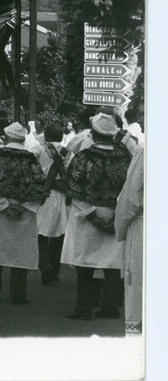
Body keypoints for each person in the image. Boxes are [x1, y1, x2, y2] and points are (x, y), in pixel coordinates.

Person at [61, 113, 132, 321]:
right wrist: (115, 215)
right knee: (111, 265)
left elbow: (73, 187)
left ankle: (84, 307)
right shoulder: (125, 157)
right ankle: (110, 307)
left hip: (86, 217)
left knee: (84, 266)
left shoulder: (84, 157)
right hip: (114, 215)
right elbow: (130, 189)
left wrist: (92, 216)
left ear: (92, 133)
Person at [0, 122, 49, 304]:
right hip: (24, 211)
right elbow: (40, 186)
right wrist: (23, 205)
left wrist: (3, 204)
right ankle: (18, 295)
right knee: (21, 252)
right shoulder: (31, 159)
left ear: (6, 137)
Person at [115, 137, 144, 335]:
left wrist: (121, 228)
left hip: (145, 225)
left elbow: (131, 195)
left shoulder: (146, 149)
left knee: (139, 285)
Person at [36, 122, 69, 285]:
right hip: (62, 197)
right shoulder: (67, 153)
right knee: (59, 234)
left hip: (44, 195)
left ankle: (44, 264)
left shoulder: (39, 150)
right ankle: (55, 269)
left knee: (41, 233)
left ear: (46, 136)